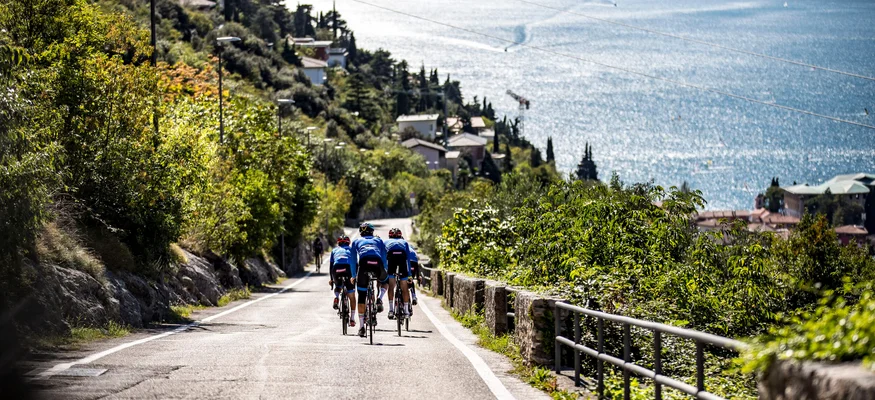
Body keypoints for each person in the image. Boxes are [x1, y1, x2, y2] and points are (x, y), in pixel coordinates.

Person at [351, 222, 388, 337]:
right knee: (385, 281)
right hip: (377, 263)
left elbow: (353, 260)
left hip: (364, 264)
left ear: (360, 233)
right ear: (372, 232)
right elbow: (384, 256)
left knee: (361, 295)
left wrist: (353, 275)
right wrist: (384, 270)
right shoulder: (378, 240)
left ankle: (361, 327)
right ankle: (379, 298)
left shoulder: (356, 241)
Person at [382, 228, 413, 320]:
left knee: (391, 286)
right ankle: (407, 311)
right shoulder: (404, 242)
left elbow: (383, 257)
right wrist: (410, 275)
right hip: (402, 258)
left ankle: (391, 310)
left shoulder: (385, 242)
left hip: (391, 259)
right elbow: (408, 259)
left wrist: (385, 270)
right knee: (404, 288)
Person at [329, 235, 356, 328]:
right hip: (348, 268)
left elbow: (331, 266)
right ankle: (352, 319)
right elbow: (355, 264)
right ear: (348, 243)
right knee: (352, 296)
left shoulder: (334, 250)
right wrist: (354, 277)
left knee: (338, 286)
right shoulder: (351, 249)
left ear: (338, 243)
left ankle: (336, 297)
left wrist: (332, 279)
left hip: (336, 269)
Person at [407, 246, 420, 315]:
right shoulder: (412, 249)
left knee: (402, 280)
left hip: (406, 262)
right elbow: (417, 265)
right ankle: (414, 296)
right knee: (410, 279)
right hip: (414, 264)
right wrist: (418, 276)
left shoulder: (401, 247)